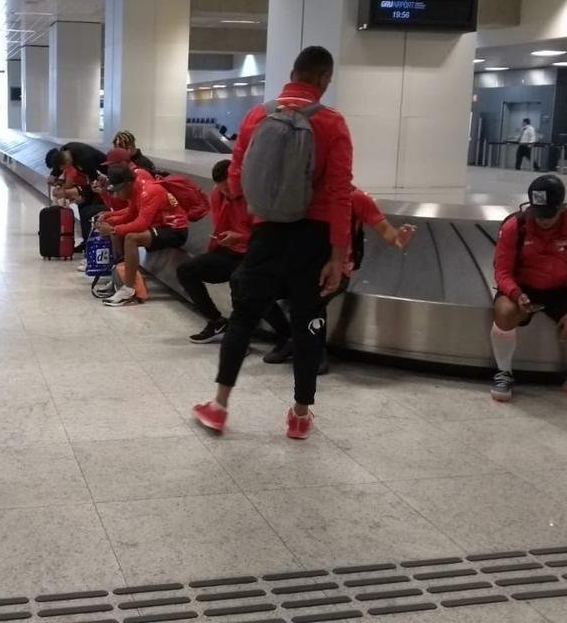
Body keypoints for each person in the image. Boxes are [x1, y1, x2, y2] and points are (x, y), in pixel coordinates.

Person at [192, 46, 353, 440]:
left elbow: (236, 178)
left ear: (293, 72)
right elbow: (339, 195)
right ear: (323, 79)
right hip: (312, 238)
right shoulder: (332, 123)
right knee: (307, 323)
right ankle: (299, 415)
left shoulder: (257, 116)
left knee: (244, 318)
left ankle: (219, 405)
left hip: (265, 235)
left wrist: (254, 223)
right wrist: (337, 255)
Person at [490, 174, 567, 406]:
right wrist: (517, 294)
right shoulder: (514, 226)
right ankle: (503, 372)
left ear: (563, 207)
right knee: (505, 313)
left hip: (560, 289)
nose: (543, 221)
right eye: (538, 214)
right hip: (521, 286)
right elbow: (502, 272)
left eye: (549, 215)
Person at [263, 187, 416, 372]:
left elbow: (386, 231)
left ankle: (316, 351)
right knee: (254, 287)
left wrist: (398, 237)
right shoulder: (307, 193)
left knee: (312, 297)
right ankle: (289, 338)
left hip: (338, 269)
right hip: (302, 265)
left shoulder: (356, 198)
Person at [177, 159, 279, 343]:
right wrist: (225, 238)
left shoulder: (256, 196)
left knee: (240, 280)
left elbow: (267, 236)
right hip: (229, 251)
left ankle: (241, 334)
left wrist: (239, 237)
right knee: (186, 270)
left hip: (255, 254)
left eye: (229, 189)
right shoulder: (218, 195)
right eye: (223, 189)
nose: (227, 193)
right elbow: (220, 226)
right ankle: (216, 321)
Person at [95, 164, 189, 307]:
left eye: (118, 191)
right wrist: (108, 217)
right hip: (158, 226)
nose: (117, 195)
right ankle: (119, 279)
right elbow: (130, 213)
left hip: (175, 230)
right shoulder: (134, 187)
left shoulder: (149, 191)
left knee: (131, 238)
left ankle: (128, 289)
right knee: (117, 232)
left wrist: (113, 229)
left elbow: (140, 224)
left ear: (127, 184)